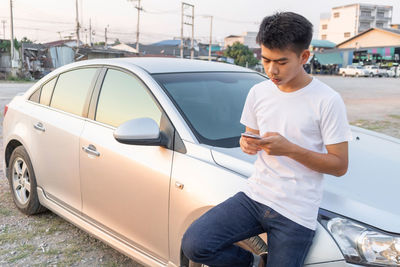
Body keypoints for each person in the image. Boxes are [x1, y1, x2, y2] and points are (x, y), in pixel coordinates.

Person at [181, 12, 352, 267]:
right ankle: (254, 263)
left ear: (304, 56)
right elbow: (250, 138)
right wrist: (247, 144)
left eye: (282, 62)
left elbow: (339, 165)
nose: (272, 70)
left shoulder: (327, 100)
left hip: (296, 211)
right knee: (196, 243)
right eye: (266, 60)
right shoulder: (258, 92)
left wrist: (291, 149)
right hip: (255, 195)